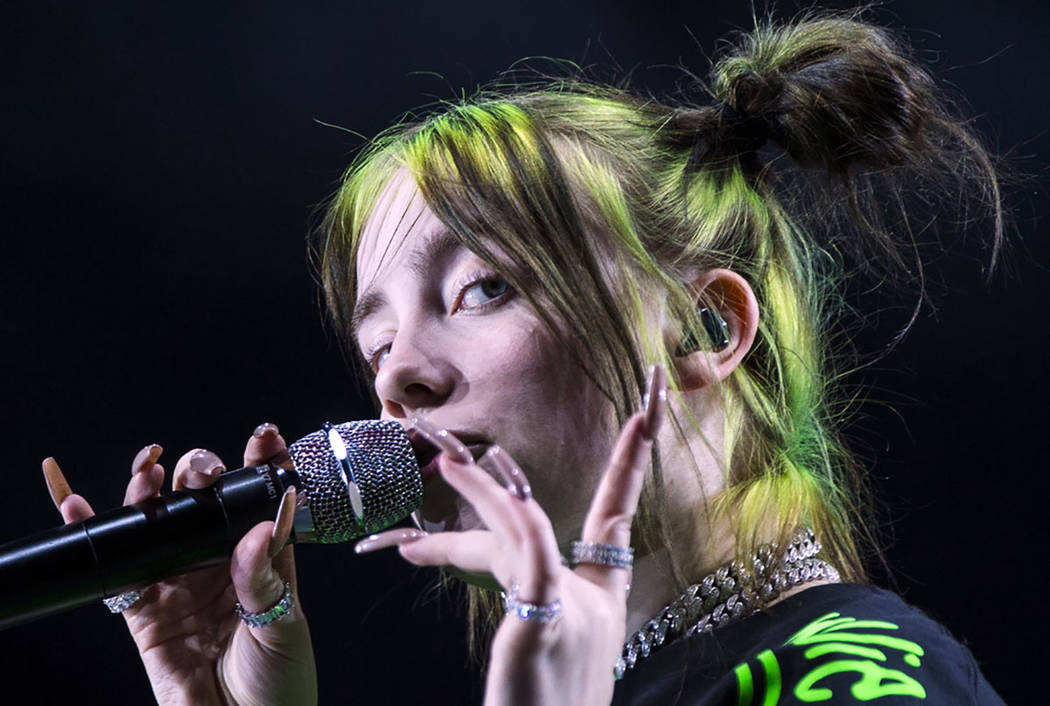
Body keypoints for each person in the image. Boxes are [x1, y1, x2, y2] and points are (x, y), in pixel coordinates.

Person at [41, 10, 1006, 704]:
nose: (394, 379)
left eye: (480, 289)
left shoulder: (861, 673)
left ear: (708, 329)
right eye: (377, 342)